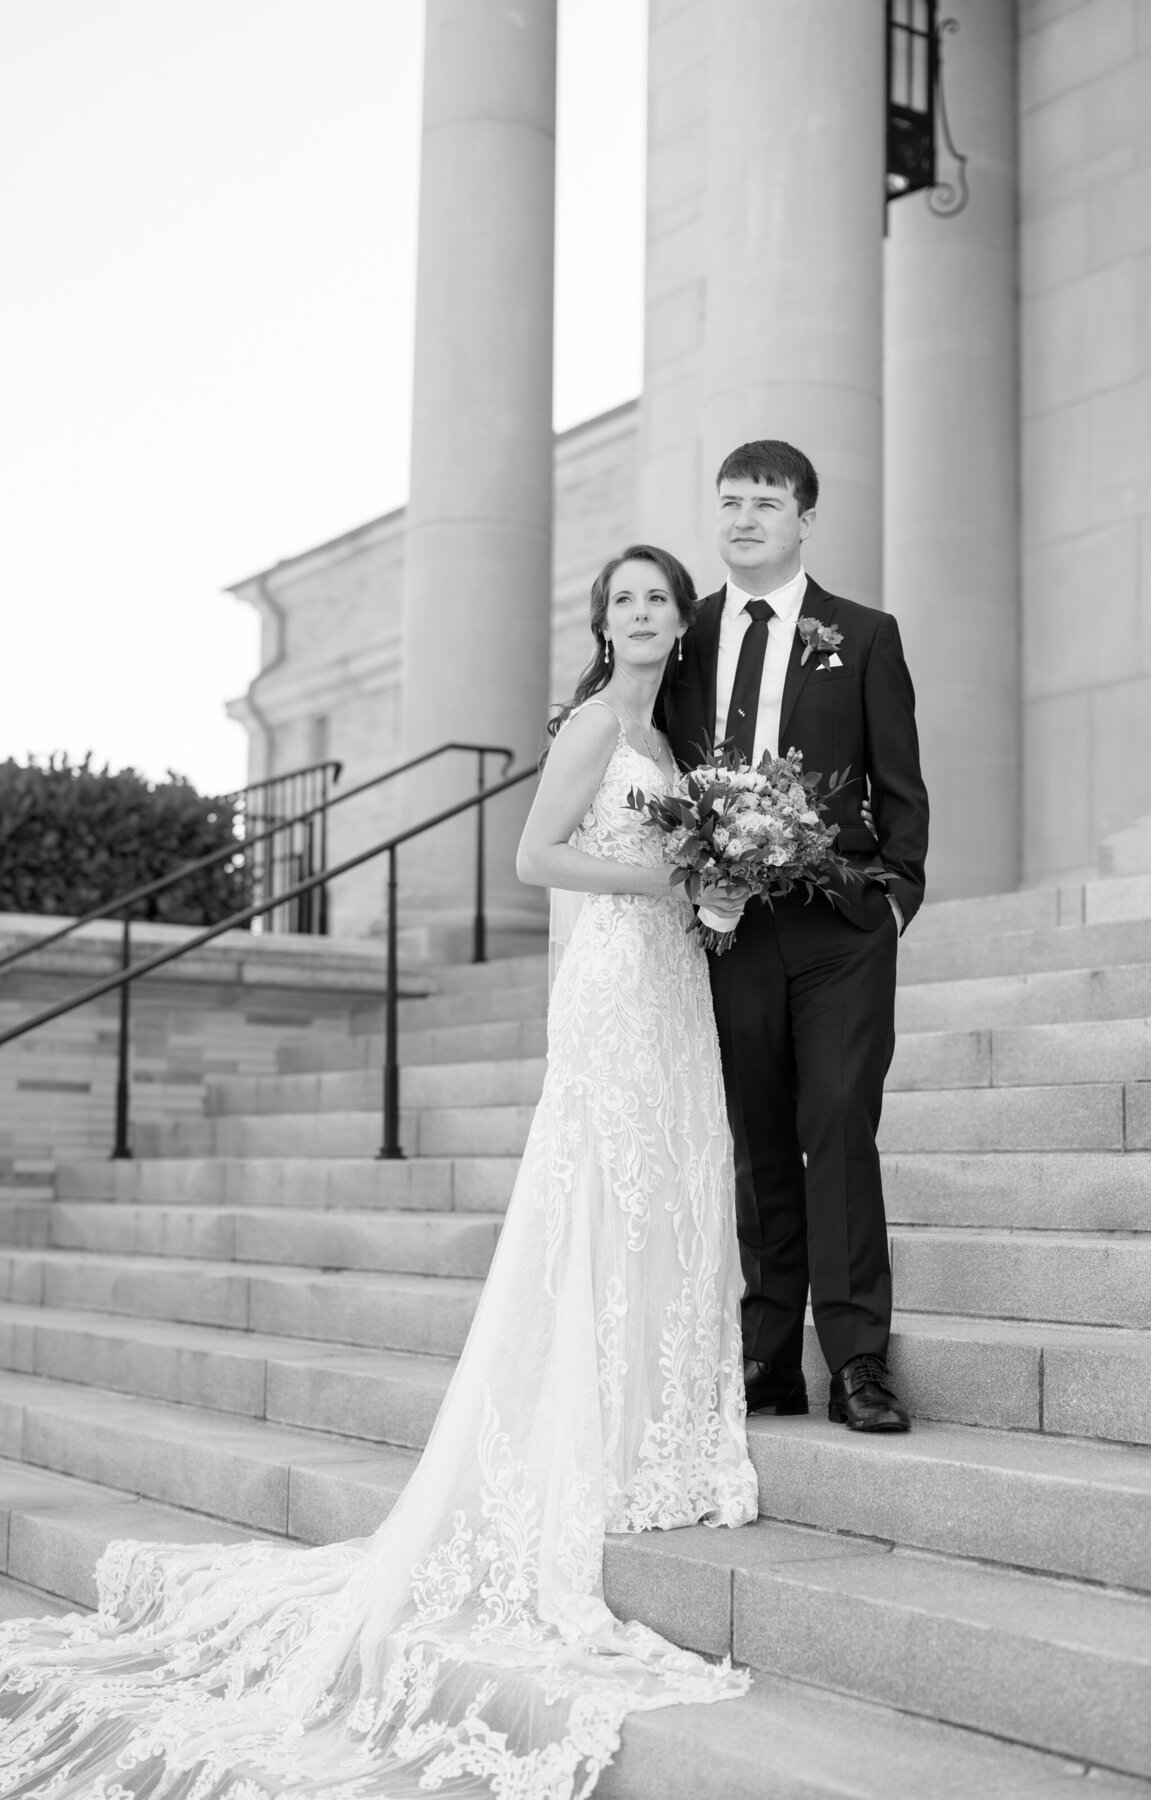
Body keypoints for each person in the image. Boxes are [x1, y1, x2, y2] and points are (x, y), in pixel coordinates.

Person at [0, 544, 756, 1800]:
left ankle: (657, 1431)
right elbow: (533, 859)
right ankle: (596, 1441)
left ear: (681, 622)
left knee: (670, 1192)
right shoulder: (586, 727)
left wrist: (713, 886)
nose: (639, 616)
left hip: (676, 985)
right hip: (616, 985)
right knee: (602, 1197)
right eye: (621, 600)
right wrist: (663, 874)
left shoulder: (673, 741)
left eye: (657, 601)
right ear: (601, 620)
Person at [663, 440, 929, 1434]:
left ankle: (858, 1358)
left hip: (839, 930)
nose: (744, 519)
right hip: (729, 928)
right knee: (758, 1139)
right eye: (729, 501)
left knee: (837, 1131)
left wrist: (895, 896)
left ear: (804, 518)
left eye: (765, 503)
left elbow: (901, 785)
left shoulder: (862, 634)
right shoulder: (682, 636)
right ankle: (766, 1358)